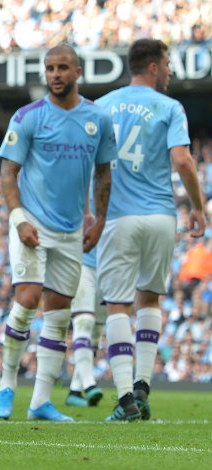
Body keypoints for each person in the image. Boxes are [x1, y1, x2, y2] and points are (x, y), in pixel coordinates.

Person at [0, 43, 116, 422]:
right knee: (27, 299)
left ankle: (40, 402)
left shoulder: (98, 118)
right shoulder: (28, 117)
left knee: (59, 315)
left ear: (78, 72)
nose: (56, 74)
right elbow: (7, 174)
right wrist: (18, 220)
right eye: (50, 68)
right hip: (32, 224)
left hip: (72, 232)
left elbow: (104, 174)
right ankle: (7, 386)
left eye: (63, 67)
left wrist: (100, 221)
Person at [95, 39, 206, 421]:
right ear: (155, 67)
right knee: (151, 299)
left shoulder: (104, 105)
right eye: (169, 63)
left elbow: (91, 166)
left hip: (118, 217)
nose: (172, 71)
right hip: (160, 214)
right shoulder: (169, 107)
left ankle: (125, 397)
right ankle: (143, 387)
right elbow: (183, 161)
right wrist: (198, 207)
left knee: (118, 305)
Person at [65, 246, 106, 407]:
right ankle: (89, 384)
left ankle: (75, 391)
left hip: (109, 267)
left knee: (96, 331)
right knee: (84, 321)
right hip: (82, 263)